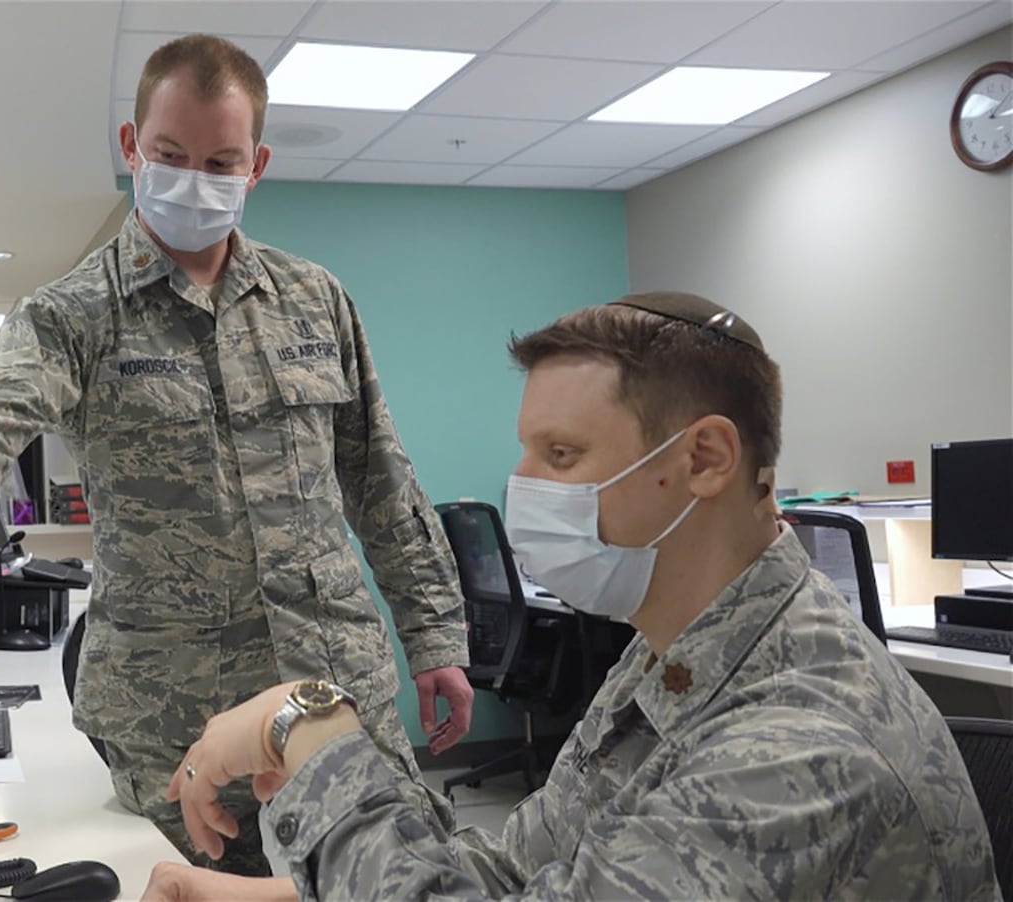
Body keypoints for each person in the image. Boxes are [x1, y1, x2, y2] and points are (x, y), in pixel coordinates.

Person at [0, 33, 473, 875]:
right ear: (133, 146)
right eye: (172, 155)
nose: (196, 180)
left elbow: (381, 480)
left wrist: (434, 633)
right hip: (176, 719)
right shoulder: (74, 316)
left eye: (221, 161)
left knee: (393, 883)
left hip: (334, 695)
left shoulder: (315, 300)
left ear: (258, 165)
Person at [145, 293, 1000, 900]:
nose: (521, 486)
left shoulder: (802, 751)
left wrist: (307, 725)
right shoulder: (672, 651)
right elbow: (526, 875)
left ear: (704, 459)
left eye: (559, 455)